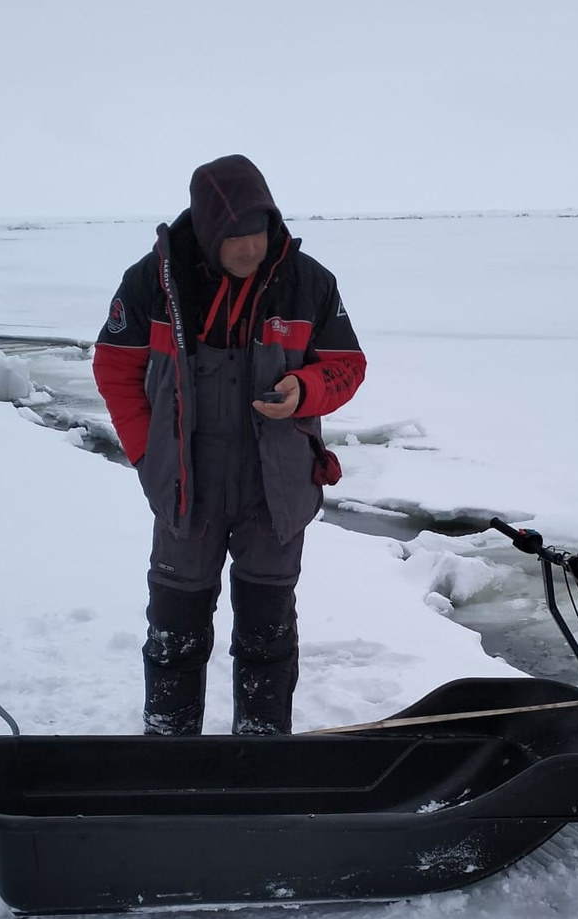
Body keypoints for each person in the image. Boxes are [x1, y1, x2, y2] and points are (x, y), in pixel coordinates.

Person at [93, 155, 366, 736]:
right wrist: (148, 456)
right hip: (186, 486)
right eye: (236, 237)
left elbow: (348, 366)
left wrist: (305, 389)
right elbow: (114, 369)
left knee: (268, 635)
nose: (251, 248)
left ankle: (262, 754)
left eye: (260, 232)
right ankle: (170, 748)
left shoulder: (308, 282)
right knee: (174, 632)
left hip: (277, 490)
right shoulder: (152, 283)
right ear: (209, 231)